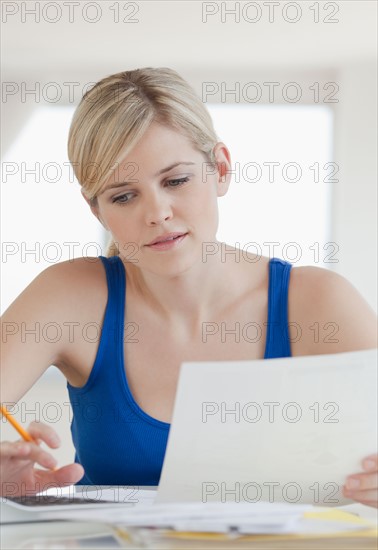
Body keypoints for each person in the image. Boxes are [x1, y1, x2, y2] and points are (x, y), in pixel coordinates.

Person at [1, 68, 377, 507]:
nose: (157, 213)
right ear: (97, 210)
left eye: (175, 180)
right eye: (124, 196)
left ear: (220, 168)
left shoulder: (318, 302)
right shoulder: (71, 297)